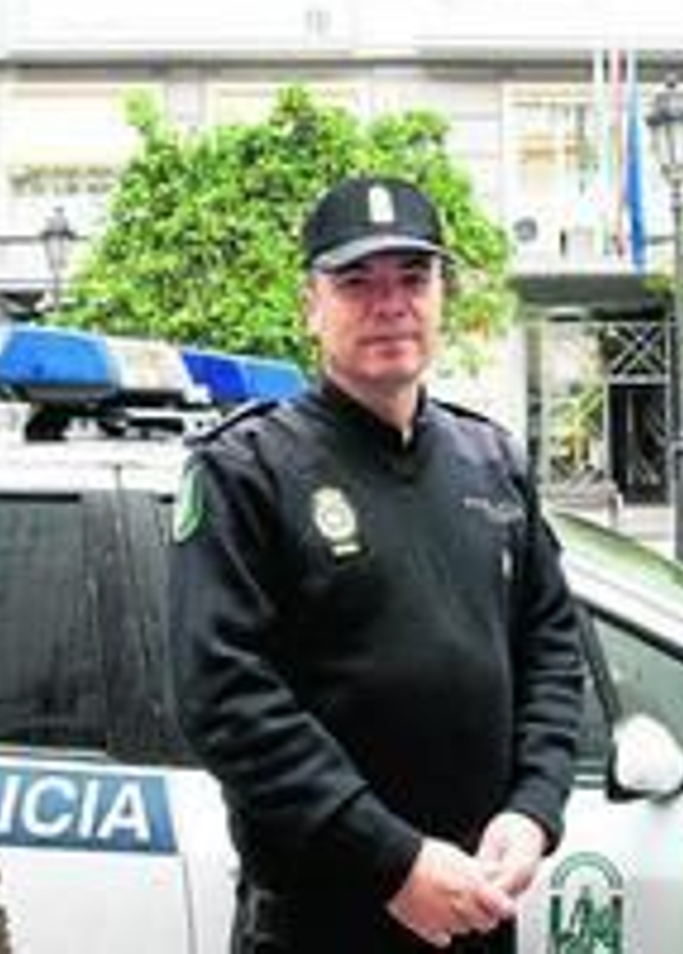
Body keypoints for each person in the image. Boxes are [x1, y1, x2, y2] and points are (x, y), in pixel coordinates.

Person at [169, 175, 584, 952]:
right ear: (311, 305)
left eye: (413, 278)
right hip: (322, 918)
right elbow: (225, 696)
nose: (390, 303)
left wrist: (533, 807)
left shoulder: (492, 460)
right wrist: (393, 862)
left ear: (442, 295)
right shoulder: (247, 469)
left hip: (476, 909)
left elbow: (552, 649)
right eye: (356, 281)